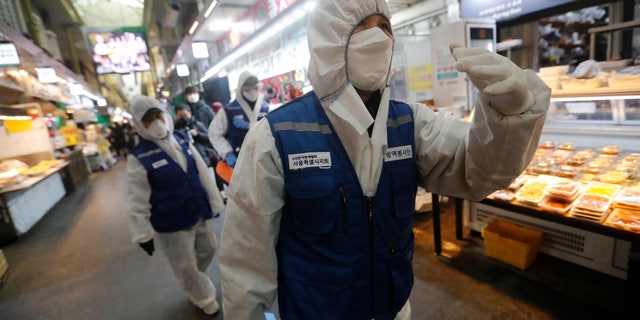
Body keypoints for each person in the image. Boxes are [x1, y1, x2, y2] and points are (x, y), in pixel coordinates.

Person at [218, 1, 551, 319]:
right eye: (361, 26)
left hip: (393, 311)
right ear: (330, 39)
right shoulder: (276, 137)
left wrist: (508, 116)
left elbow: (478, 171)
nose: (378, 37)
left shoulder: (410, 122)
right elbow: (246, 264)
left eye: (384, 26)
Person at [125, 95, 225, 316]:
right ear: (139, 124)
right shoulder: (139, 157)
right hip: (171, 220)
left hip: (197, 209)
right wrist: (142, 234)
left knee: (208, 247)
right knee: (184, 263)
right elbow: (135, 199)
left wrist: (215, 201)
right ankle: (202, 296)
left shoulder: (181, 139)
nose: (156, 122)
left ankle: (193, 279)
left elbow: (201, 172)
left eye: (157, 115)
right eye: (148, 120)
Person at [207, 71, 269, 168]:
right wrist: (227, 153)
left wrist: (250, 126)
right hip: (239, 160)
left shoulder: (265, 107)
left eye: (256, 89)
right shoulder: (228, 111)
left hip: (264, 158)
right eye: (248, 90)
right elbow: (213, 133)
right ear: (241, 89)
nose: (253, 92)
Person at [174, 103, 226, 194]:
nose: (183, 117)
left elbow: (209, 137)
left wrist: (197, 134)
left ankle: (221, 191)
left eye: (185, 115)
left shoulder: (198, 124)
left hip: (205, 155)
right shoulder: (175, 130)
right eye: (180, 116)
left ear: (190, 113)